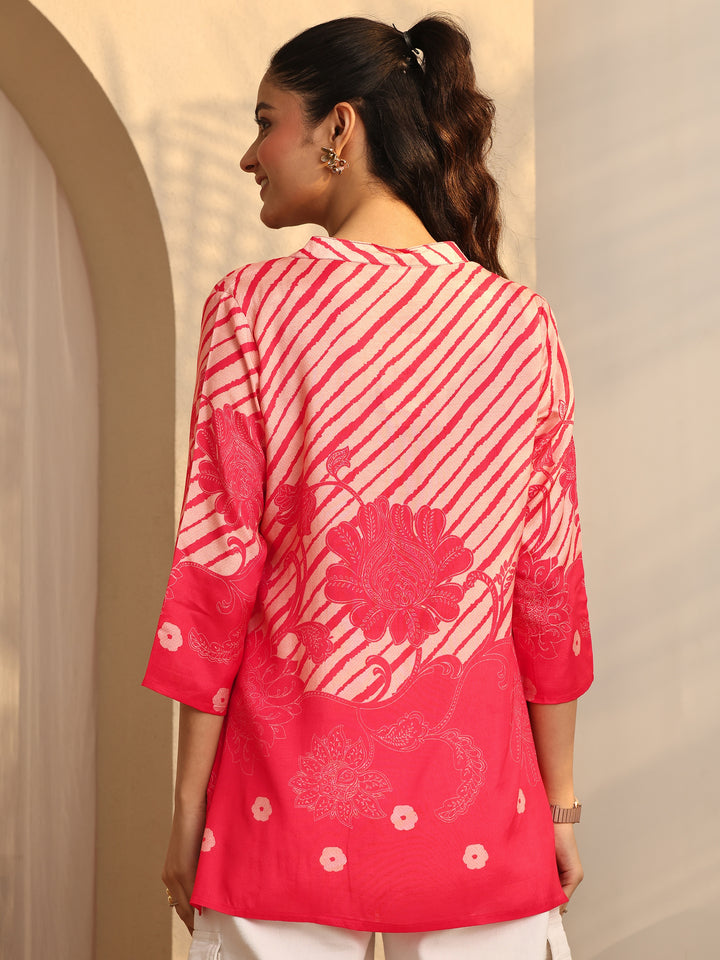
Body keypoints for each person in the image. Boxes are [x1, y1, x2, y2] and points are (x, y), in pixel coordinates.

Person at [143, 14, 593, 960]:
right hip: (485, 816)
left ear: (338, 127)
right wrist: (558, 806)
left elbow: (217, 575)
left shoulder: (253, 312)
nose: (248, 156)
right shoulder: (520, 325)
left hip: (281, 804)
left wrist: (188, 808)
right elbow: (548, 589)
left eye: (266, 121)